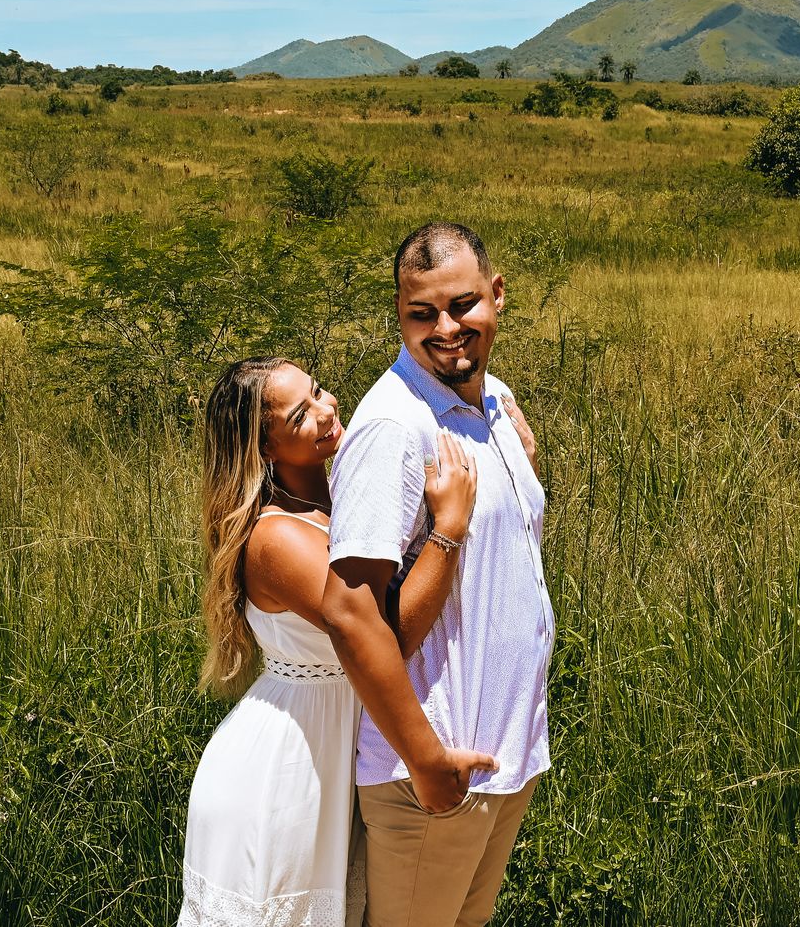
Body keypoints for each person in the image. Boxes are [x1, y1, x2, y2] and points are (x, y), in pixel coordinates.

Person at [179, 355, 496, 927]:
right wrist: (448, 529)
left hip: (330, 751)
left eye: (320, 391)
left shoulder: (336, 502)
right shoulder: (276, 539)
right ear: (265, 450)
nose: (327, 411)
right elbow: (383, 638)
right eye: (301, 415)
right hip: (283, 773)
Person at [323, 222, 551, 927]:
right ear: (398, 312)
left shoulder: (492, 401)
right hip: (432, 770)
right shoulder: (394, 427)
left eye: (462, 306)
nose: (446, 329)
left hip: (500, 760)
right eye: (421, 313)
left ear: (498, 294)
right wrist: (425, 761)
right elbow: (352, 616)